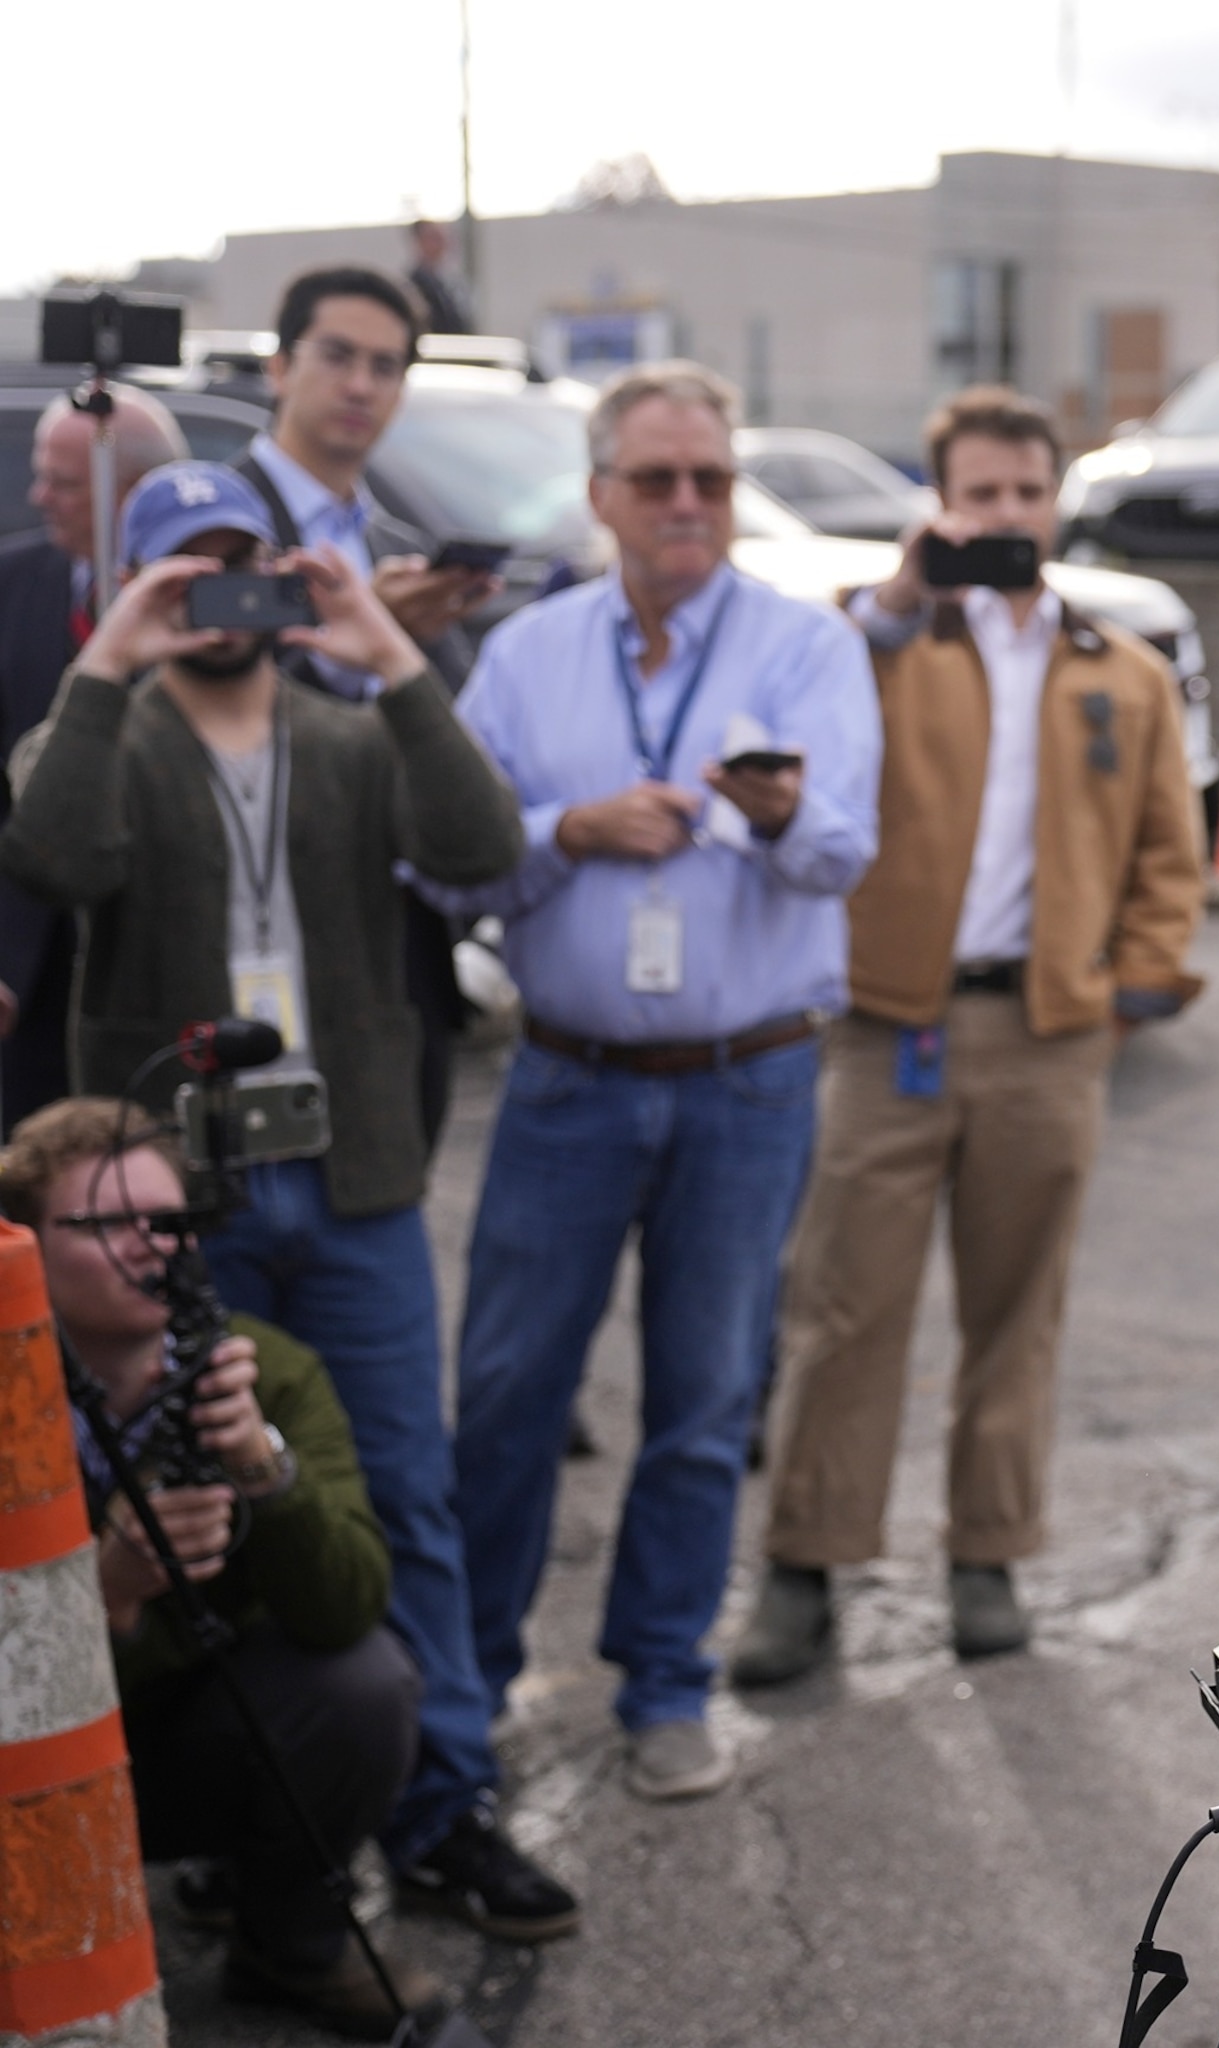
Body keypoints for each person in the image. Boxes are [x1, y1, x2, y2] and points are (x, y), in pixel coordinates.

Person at [0, 463, 572, 1939]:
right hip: (174, 1203)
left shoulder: (348, 731)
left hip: (356, 1180)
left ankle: (444, 1810)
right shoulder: (105, 740)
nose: (223, 596)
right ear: (136, 586)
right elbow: (51, 857)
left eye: (243, 564)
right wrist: (108, 660)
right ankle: (254, 1827)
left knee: (407, 1497)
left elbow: (483, 849)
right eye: (184, 572)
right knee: (195, 1498)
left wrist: (391, 657)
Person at [425, 360, 880, 1802]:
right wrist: (574, 827)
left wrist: (785, 810)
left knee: (702, 1400)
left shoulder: (807, 652)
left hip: (748, 1085)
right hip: (566, 1083)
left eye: (712, 479)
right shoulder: (525, 654)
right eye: (659, 479)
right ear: (602, 494)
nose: (689, 504)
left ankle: (664, 1684)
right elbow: (449, 858)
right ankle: (468, 1685)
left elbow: (843, 853)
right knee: (505, 1393)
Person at [728, 387, 1205, 1686]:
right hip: (892, 1029)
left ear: (1057, 499)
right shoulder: (878, 641)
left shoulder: (1126, 674)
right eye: (978, 495)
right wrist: (903, 590)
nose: (1005, 517)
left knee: (1017, 1308)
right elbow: (796, 719)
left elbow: (1170, 853)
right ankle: (806, 1566)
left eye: (1025, 494)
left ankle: (987, 1554)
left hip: (1048, 1031)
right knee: (845, 1301)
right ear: (939, 504)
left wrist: (1129, 990)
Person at [5, 1100, 447, 2038]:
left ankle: (291, 1950)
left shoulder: (261, 1368)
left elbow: (351, 1603)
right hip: (29, 1765)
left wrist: (260, 1463)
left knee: (365, 1688)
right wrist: (108, 1589)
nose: (147, 1247)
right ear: (25, 1244)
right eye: (103, 1224)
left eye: (166, 1222)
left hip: (183, 1748)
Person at [237, 267, 498, 1151]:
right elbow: (198, 720)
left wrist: (402, 656)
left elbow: (456, 740)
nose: (361, 385)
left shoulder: (398, 548)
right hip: (255, 932)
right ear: (279, 368)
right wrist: (359, 657)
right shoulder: (214, 530)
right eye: (339, 356)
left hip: (397, 952)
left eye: (386, 367)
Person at [0, 386, 189, 1130]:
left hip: (163, 972)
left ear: (132, 489)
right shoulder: (12, 583)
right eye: (43, 474)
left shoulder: (212, 610)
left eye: (65, 481)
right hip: (32, 975)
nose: (39, 495)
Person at [405, 220, 474, 336]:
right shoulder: (414, 285)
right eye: (435, 238)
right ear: (420, 242)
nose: (443, 244)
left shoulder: (449, 282)